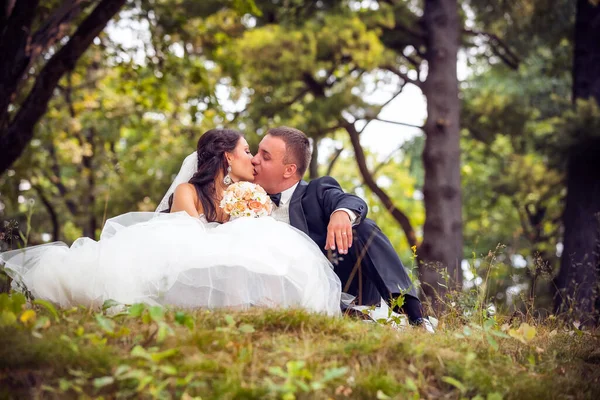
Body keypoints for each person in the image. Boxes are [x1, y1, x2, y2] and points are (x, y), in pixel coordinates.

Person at [0, 129, 342, 315]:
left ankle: (266, 310)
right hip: (177, 259)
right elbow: (186, 242)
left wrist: (248, 219)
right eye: (248, 150)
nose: (252, 159)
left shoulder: (242, 196)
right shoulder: (186, 192)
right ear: (227, 157)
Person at [251, 126, 426, 325]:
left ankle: (416, 317)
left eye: (265, 156)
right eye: (256, 152)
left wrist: (341, 213)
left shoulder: (316, 192)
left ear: (289, 170)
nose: (254, 159)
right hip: (272, 294)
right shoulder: (241, 197)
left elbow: (351, 200)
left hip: (337, 289)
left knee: (364, 228)